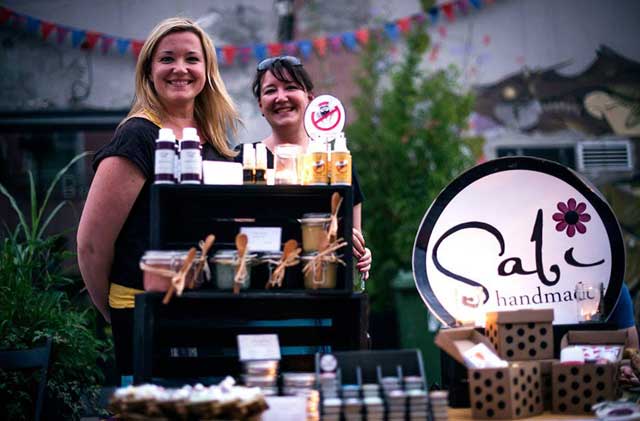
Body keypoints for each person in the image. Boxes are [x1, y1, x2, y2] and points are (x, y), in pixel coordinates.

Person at [77, 17, 240, 378]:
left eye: (192, 59)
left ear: (208, 71)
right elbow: (90, 245)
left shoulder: (215, 142)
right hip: (143, 310)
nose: (180, 68)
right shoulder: (138, 136)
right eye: (167, 58)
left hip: (203, 312)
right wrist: (117, 313)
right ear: (149, 72)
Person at [239, 55, 372, 280]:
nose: (281, 97)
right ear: (260, 104)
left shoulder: (337, 161)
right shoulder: (245, 159)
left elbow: (355, 237)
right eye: (270, 90)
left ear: (310, 98)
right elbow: (235, 236)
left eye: (290, 87)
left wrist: (362, 254)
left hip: (324, 287)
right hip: (262, 288)